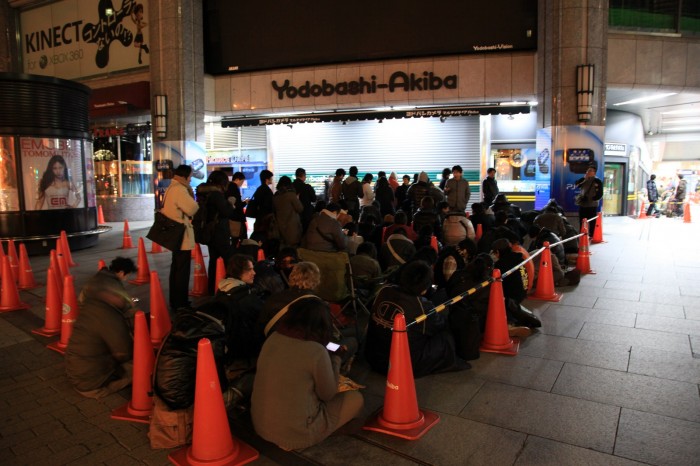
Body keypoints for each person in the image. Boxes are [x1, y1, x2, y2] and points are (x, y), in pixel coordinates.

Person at [251, 298, 364, 451]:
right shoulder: (316, 352)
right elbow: (327, 394)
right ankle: (316, 435)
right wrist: (336, 359)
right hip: (297, 434)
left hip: (261, 426)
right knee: (355, 399)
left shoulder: (272, 339)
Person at [365, 260, 469, 378]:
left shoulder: (384, 290)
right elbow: (439, 326)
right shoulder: (421, 306)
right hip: (403, 365)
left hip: (372, 357)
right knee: (445, 337)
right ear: (424, 288)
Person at [65, 257, 138, 399]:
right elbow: (124, 351)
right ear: (123, 272)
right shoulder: (110, 316)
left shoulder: (91, 302)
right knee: (140, 368)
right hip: (92, 385)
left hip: (77, 373)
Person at [160, 164, 199, 312]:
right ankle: (180, 302)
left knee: (176, 268)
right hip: (181, 234)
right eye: (190, 176)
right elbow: (192, 208)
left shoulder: (172, 187)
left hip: (174, 233)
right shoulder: (179, 189)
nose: (190, 179)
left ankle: (175, 300)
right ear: (185, 176)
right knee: (182, 270)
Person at [196, 170, 235, 294]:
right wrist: (230, 203)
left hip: (209, 230)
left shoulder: (203, 193)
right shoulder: (216, 195)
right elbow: (226, 211)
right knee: (228, 258)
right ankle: (230, 287)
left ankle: (212, 287)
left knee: (213, 260)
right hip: (219, 231)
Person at [273, 175, 304, 247]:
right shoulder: (291, 195)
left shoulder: (276, 196)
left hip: (280, 227)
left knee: (282, 248)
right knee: (293, 249)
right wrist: (297, 198)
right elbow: (300, 208)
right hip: (292, 227)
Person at [574, 165, 603, 237]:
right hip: (583, 204)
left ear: (594, 173)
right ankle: (582, 234)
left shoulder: (597, 181)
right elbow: (577, 184)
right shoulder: (584, 179)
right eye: (587, 171)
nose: (588, 172)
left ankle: (591, 234)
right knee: (582, 220)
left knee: (592, 221)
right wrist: (584, 178)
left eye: (590, 171)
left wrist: (594, 199)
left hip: (592, 205)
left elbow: (600, 193)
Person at [249, 169, 275, 241]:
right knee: (264, 238)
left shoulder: (259, 189)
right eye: (271, 178)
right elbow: (268, 205)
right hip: (265, 219)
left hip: (259, 218)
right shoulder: (267, 190)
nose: (272, 180)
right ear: (267, 179)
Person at [225, 171, 248, 244]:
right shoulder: (233, 188)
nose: (242, 183)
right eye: (242, 181)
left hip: (232, 217)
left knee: (235, 238)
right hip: (237, 218)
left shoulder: (228, 187)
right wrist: (245, 202)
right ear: (237, 179)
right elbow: (237, 204)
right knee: (240, 237)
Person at [292, 167, 317, 232]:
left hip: (293, 214)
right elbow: (314, 199)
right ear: (303, 175)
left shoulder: (290, 187)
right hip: (306, 214)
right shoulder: (307, 187)